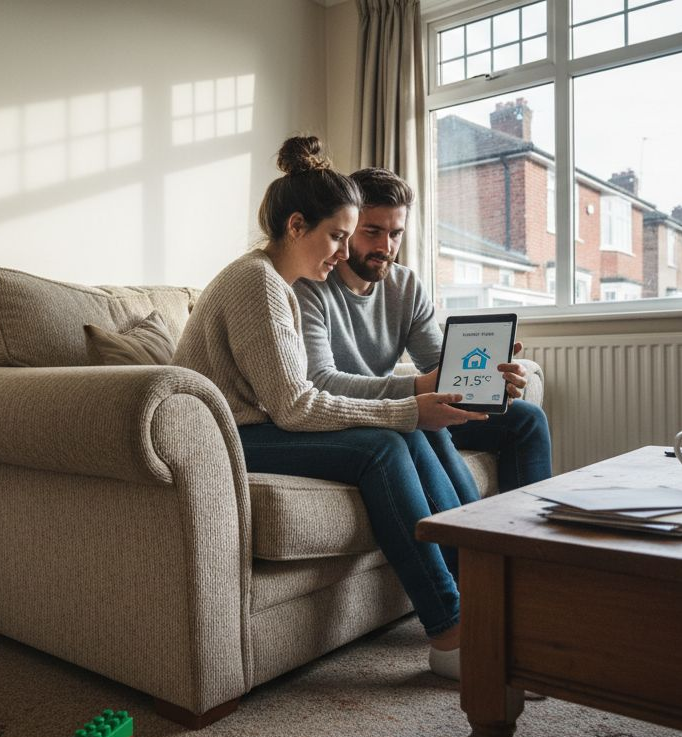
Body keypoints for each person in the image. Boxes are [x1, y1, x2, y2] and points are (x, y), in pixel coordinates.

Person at [172, 136, 484, 679]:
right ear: (297, 226)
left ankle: (478, 591)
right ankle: (450, 631)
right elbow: (296, 407)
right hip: (225, 436)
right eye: (337, 236)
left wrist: (413, 413)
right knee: (384, 447)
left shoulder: (277, 282)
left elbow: (294, 398)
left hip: (259, 424)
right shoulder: (257, 284)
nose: (343, 254)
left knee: (410, 433)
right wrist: (407, 409)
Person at [293, 167, 553, 501]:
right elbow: (319, 382)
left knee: (526, 420)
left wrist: (492, 377)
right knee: (422, 425)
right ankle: (468, 527)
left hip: (397, 406)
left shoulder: (405, 285)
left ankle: (525, 532)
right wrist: (417, 390)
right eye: (372, 231)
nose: (386, 246)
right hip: (347, 415)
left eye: (396, 233)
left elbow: (438, 364)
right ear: (347, 226)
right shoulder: (309, 285)